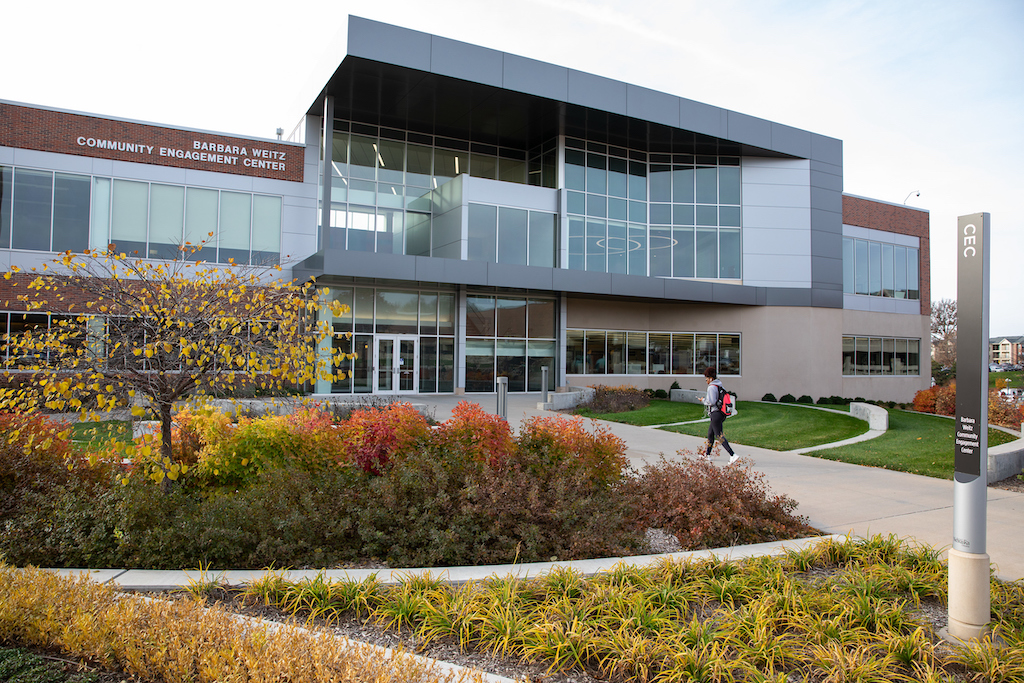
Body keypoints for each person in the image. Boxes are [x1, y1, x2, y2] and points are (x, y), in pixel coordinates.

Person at [702, 366, 738, 464]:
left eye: (707, 379)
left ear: (711, 378)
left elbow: (712, 401)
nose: (706, 381)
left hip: (715, 413)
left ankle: (732, 455)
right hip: (721, 413)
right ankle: (707, 454)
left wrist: (703, 400)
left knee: (719, 435)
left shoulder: (711, 387)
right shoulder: (720, 386)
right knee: (710, 434)